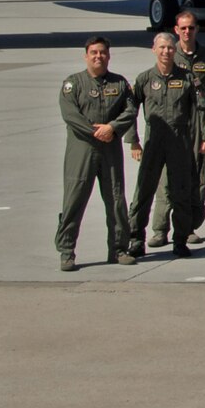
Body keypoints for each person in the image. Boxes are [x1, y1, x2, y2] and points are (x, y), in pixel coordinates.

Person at [56, 36, 137, 270]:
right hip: (82, 150)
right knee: (74, 199)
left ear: (109, 56)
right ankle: (66, 251)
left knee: (116, 199)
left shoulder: (119, 84)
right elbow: (70, 115)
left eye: (102, 52)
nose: (98, 56)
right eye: (93, 53)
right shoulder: (74, 84)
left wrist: (112, 128)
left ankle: (119, 249)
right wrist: (95, 132)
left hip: (110, 149)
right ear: (86, 56)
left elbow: (130, 110)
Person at [128, 32, 205, 259]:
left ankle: (180, 239)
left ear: (175, 51)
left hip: (180, 142)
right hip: (153, 141)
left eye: (170, 48)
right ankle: (136, 238)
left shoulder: (187, 78)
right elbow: (130, 111)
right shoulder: (144, 79)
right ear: (154, 49)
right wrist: (133, 141)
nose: (166, 52)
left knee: (181, 192)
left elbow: (202, 108)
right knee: (144, 190)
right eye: (162, 48)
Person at [148, 10, 205, 248]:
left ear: (197, 29)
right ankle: (160, 229)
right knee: (165, 181)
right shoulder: (169, 53)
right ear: (176, 30)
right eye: (183, 28)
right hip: (173, 127)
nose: (187, 31)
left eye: (191, 27)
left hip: (198, 127)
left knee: (196, 178)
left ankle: (188, 227)